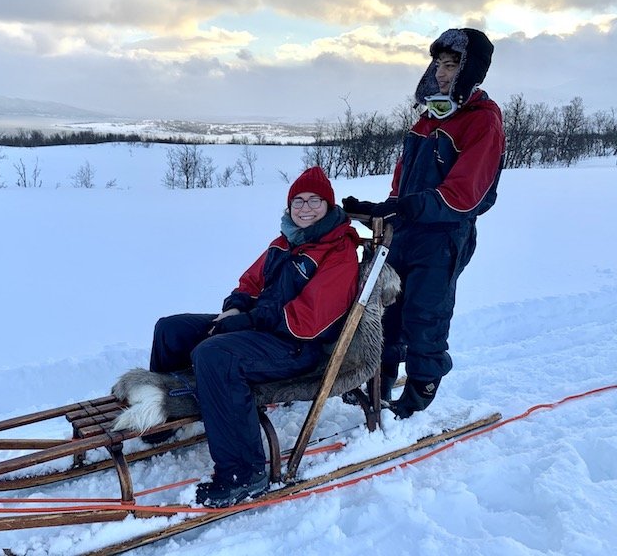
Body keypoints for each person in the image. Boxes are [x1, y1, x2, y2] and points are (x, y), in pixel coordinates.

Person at [149, 166, 361, 507]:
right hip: (264, 329)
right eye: (298, 201)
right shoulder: (285, 241)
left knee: (215, 355)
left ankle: (244, 474)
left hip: (298, 347)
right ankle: (173, 415)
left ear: (329, 206)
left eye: (315, 201)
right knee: (170, 330)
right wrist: (235, 308)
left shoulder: (339, 253)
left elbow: (307, 320)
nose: (305, 208)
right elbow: (250, 282)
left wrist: (248, 320)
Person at [342, 28, 505, 419]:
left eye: (452, 65)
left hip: (445, 234)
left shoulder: (482, 121)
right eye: (439, 64)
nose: (443, 73)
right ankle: (379, 377)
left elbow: (465, 194)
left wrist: (407, 209)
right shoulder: (427, 119)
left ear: (470, 71)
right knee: (387, 310)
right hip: (408, 231)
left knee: (424, 315)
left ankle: (421, 389)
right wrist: (383, 207)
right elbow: (403, 184)